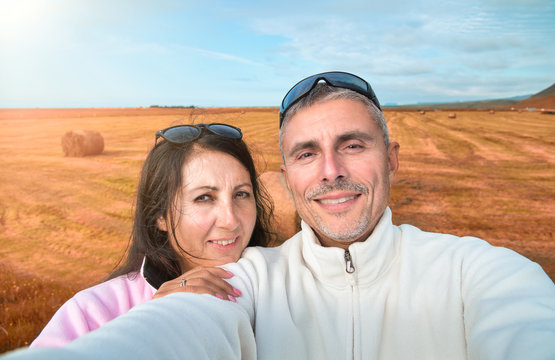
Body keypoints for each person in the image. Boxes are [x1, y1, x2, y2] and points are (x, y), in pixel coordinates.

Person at [3, 72, 555, 359]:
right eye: (306, 153)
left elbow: (527, 325)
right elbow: (179, 333)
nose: (331, 170)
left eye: (354, 145)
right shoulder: (246, 284)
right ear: (290, 177)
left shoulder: (478, 273)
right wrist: (153, 314)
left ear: (393, 160)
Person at [29, 122, 274, 347]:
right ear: (160, 216)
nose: (230, 220)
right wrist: (148, 326)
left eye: (241, 194)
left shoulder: (285, 289)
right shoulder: (90, 313)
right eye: (204, 198)